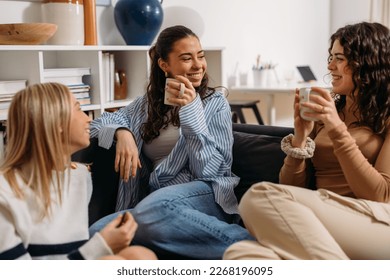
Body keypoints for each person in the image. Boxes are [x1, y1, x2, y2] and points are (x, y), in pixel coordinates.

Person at [223, 21, 390, 260]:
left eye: (340, 58)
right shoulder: (327, 115)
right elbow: (292, 189)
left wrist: (337, 128)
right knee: (241, 253)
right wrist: (300, 139)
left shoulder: (384, 117)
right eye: (331, 57)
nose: (330, 66)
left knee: (259, 196)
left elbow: (380, 195)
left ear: (367, 63)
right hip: (323, 219)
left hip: (375, 220)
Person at [89, 25, 253, 259]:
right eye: (186, 58)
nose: (198, 65)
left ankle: (251, 247)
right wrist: (122, 132)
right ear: (164, 64)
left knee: (156, 207)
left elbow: (212, 171)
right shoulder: (145, 105)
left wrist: (191, 109)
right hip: (155, 199)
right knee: (97, 235)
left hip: (206, 193)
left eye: (201, 56)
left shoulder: (215, 103)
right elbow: (97, 124)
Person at [0, 82, 157, 260]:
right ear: (57, 122)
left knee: (140, 255)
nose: (88, 119)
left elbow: (67, 256)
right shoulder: (5, 195)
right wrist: (102, 245)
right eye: (78, 109)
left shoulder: (78, 178)